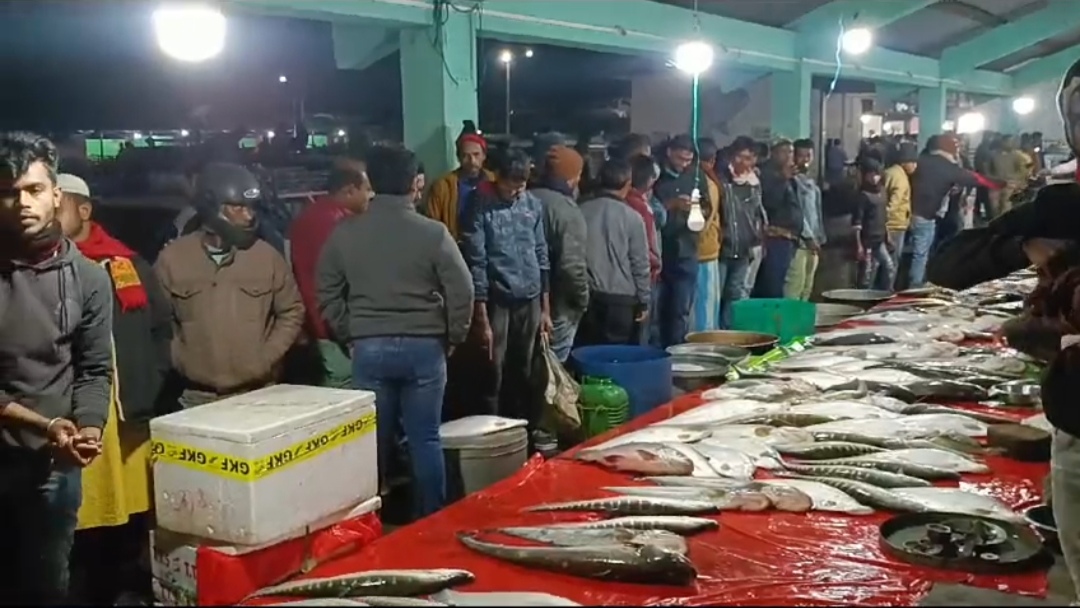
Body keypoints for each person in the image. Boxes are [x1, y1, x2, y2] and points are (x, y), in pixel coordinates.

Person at [316, 145, 472, 518]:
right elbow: (462, 290)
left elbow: (326, 290)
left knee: (372, 443)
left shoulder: (345, 233)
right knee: (425, 438)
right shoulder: (433, 233)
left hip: (369, 348)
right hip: (425, 347)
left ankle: (369, 521)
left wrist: (348, 333)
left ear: (373, 181)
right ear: (414, 184)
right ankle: (431, 519)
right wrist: (453, 336)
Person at [0, 132, 114, 604]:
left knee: (46, 584)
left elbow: (93, 369)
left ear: (56, 195)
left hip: (53, 465)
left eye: (33, 190)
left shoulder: (88, 278)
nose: (21, 203)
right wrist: (45, 423)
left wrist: (87, 426)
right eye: (8, 193)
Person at [54, 174, 171, 605]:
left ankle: (126, 587)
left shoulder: (124, 264)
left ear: (84, 210)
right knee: (78, 520)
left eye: (58, 202)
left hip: (126, 414)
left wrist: (152, 378)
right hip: (71, 414)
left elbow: (161, 326)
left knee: (131, 515)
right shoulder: (41, 267)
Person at [155, 163, 304, 408]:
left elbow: (292, 311)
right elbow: (158, 322)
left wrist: (265, 358)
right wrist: (181, 359)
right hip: (196, 397)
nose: (249, 216)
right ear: (212, 207)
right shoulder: (173, 259)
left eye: (251, 208)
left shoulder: (266, 256)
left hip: (258, 394)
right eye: (238, 208)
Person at [461, 149, 552, 433]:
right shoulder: (478, 204)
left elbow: (541, 254)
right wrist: (482, 319)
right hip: (497, 301)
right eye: (510, 185)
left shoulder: (533, 204)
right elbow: (477, 261)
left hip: (531, 299)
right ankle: (492, 431)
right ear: (496, 177)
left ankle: (520, 428)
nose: (515, 191)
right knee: (493, 372)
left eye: (521, 185)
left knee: (523, 370)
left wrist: (546, 309)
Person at [288, 158, 373, 388]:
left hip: (320, 329)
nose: (370, 195)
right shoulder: (337, 225)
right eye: (367, 189)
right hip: (335, 336)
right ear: (349, 191)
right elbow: (340, 283)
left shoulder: (311, 216)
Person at [577, 158, 651, 346]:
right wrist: (644, 300)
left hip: (588, 297)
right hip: (622, 301)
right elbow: (640, 263)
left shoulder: (580, 210)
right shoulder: (633, 218)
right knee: (617, 357)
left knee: (589, 353)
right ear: (627, 184)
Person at [907, 134, 990, 289]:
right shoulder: (931, 162)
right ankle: (918, 284)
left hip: (941, 210)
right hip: (932, 211)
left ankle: (930, 277)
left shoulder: (951, 160)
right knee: (924, 250)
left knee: (930, 247)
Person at [530, 146, 589, 362]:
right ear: (572, 178)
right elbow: (571, 266)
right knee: (553, 369)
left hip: (523, 302)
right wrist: (581, 299)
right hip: (558, 305)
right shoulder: (566, 210)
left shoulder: (525, 197)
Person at [654, 135, 710, 347]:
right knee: (657, 312)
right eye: (680, 159)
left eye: (688, 160)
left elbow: (708, 207)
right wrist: (673, 204)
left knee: (680, 310)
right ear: (669, 152)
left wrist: (695, 209)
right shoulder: (656, 176)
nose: (684, 164)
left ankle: (677, 352)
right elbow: (649, 209)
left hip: (687, 250)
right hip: (661, 251)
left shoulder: (696, 176)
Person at [717, 136, 765, 328]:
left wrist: (757, 241)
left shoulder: (754, 183)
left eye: (748, 158)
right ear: (730, 157)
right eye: (739, 157)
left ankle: (729, 333)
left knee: (736, 294)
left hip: (744, 247)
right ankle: (715, 335)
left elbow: (756, 214)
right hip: (723, 247)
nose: (743, 163)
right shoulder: (721, 180)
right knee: (717, 295)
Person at [755, 139, 802, 298]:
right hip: (774, 237)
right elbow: (769, 202)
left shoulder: (788, 175)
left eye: (790, 152)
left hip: (790, 236)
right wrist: (782, 179)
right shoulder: (766, 174)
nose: (789, 156)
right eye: (784, 152)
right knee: (772, 285)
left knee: (785, 281)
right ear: (774, 153)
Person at [425, 132, 493, 241]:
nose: (472, 161)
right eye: (466, 156)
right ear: (458, 158)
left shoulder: (494, 181)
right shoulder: (442, 186)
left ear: (484, 156)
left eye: (476, 154)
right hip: (455, 245)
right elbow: (431, 224)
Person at [626, 154, 662, 345]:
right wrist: (656, 264)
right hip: (644, 278)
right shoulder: (639, 206)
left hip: (626, 279)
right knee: (642, 333)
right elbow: (645, 250)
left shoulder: (626, 201)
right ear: (649, 181)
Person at [784, 139, 825, 301]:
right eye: (801, 155)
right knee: (795, 287)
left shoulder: (811, 182)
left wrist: (820, 237)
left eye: (809, 155)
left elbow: (816, 211)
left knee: (807, 288)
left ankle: (801, 323)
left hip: (813, 243)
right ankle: (789, 324)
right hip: (799, 244)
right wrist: (808, 237)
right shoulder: (791, 182)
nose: (805, 159)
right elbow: (797, 213)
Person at [692, 138, 723, 331]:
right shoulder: (708, 182)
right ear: (712, 160)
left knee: (702, 306)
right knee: (705, 306)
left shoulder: (705, 183)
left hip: (702, 250)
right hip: (705, 251)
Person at [851, 159, 892, 290]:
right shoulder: (863, 196)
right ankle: (863, 298)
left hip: (879, 239)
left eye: (876, 174)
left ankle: (884, 294)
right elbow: (857, 222)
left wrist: (888, 236)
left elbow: (883, 216)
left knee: (888, 266)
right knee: (867, 275)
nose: (874, 178)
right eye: (870, 175)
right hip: (867, 241)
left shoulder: (883, 192)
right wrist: (858, 245)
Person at [882, 142, 918, 284]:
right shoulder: (901, 178)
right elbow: (893, 204)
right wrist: (885, 221)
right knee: (892, 261)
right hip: (895, 225)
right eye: (913, 163)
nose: (915, 167)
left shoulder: (890, 172)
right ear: (905, 162)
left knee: (880, 262)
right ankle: (886, 291)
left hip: (887, 224)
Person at [987, 134, 1029, 219]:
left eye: (1011, 142)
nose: (1010, 144)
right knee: (994, 206)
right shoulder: (993, 155)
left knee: (1006, 206)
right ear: (1002, 142)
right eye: (1008, 142)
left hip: (1010, 183)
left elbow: (1023, 169)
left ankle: (1004, 224)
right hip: (995, 183)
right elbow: (988, 168)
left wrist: (1017, 181)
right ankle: (995, 222)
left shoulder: (1017, 156)